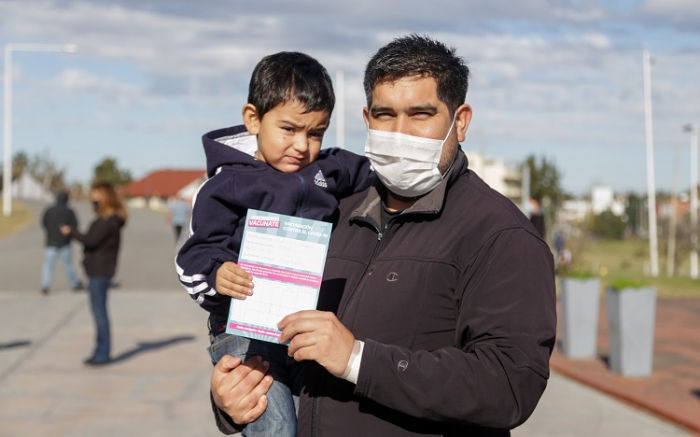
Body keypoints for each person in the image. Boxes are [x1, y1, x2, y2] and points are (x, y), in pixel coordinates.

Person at [210, 35, 557, 436]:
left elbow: (510, 386)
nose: (401, 132)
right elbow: (279, 347)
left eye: (420, 114)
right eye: (385, 115)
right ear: (366, 118)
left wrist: (357, 360)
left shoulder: (500, 234)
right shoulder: (331, 212)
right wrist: (233, 401)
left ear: (459, 121)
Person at [175, 51, 375, 436]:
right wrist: (218, 274)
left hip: (304, 328)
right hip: (244, 334)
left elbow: (380, 175)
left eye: (315, 132)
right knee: (275, 427)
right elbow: (193, 256)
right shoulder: (225, 185)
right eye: (289, 129)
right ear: (253, 118)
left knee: (313, 424)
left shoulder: (328, 170)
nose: (302, 145)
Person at [61, 182, 127, 366]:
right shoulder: (109, 219)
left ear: (105, 197)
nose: (93, 199)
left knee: (99, 312)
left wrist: (71, 232)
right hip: (99, 270)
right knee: (98, 311)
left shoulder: (107, 221)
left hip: (100, 271)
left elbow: (90, 241)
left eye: (96, 195)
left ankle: (102, 353)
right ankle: (99, 350)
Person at [40, 191, 83, 294]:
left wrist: (51, 232)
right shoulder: (69, 211)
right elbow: (75, 226)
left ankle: (45, 285)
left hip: (51, 241)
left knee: (48, 265)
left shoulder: (49, 210)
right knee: (68, 265)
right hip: (65, 242)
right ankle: (74, 284)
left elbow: (43, 223)